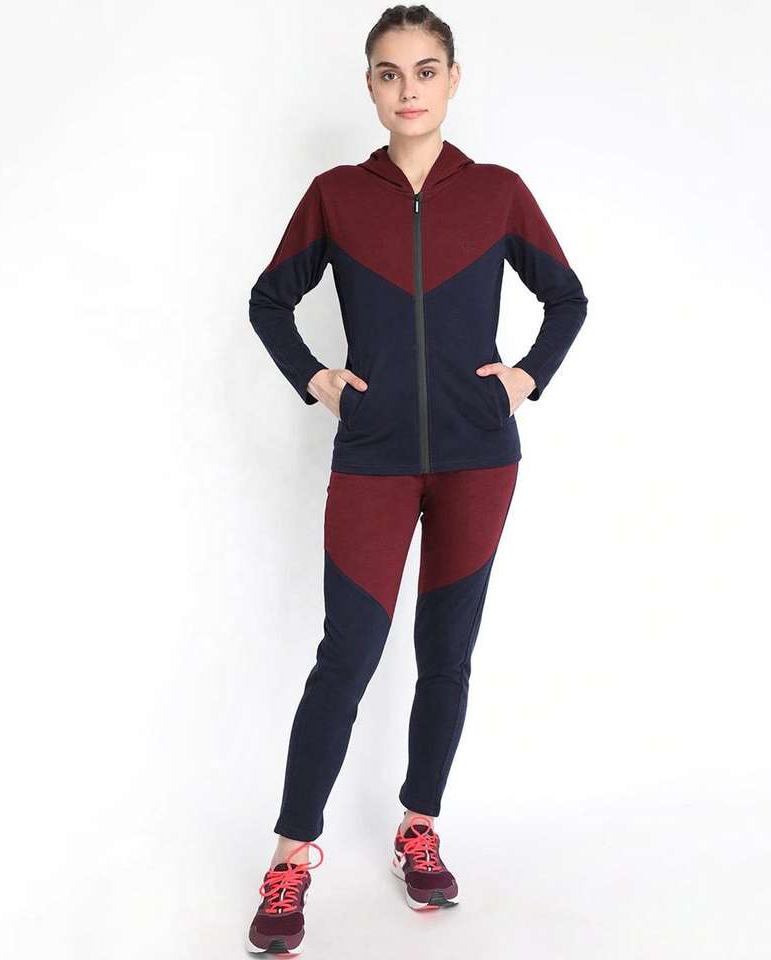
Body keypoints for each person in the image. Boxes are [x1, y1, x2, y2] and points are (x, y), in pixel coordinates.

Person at [245, 5, 588, 953]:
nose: (409, 90)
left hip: (480, 456)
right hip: (375, 456)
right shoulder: (335, 195)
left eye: (426, 71)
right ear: (370, 85)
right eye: (390, 73)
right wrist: (316, 378)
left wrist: (525, 377)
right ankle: (290, 855)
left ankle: (419, 826)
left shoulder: (499, 192)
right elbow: (270, 301)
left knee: (447, 651)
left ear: (452, 79)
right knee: (347, 654)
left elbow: (567, 298)